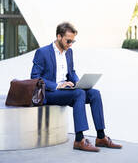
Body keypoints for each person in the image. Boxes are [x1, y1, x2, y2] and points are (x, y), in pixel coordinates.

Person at [31, 22, 122, 152]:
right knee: (79, 94)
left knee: (95, 93)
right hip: (50, 92)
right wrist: (57, 85)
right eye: (68, 41)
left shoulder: (69, 52)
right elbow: (34, 77)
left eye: (73, 41)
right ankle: (79, 140)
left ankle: (101, 137)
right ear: (59, 37)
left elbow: (71, 72)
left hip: (67, 91)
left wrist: (79, 83)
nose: (70, 44)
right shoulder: (43, 52)